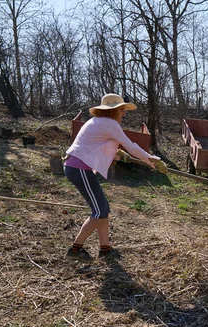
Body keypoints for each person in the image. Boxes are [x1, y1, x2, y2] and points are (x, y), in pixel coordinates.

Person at [63, 93, 164, 261]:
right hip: (79, 168)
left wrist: (118, 152)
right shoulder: (110, 123)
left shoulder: (98, 122)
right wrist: (152, 160)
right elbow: (131, 146)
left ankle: (105, 249)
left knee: (103, 210)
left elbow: (97, 144)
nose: (124, 114)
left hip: (78, 167)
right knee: (100, 210)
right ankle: (75, 250)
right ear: (114, 110)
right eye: (122, 110)